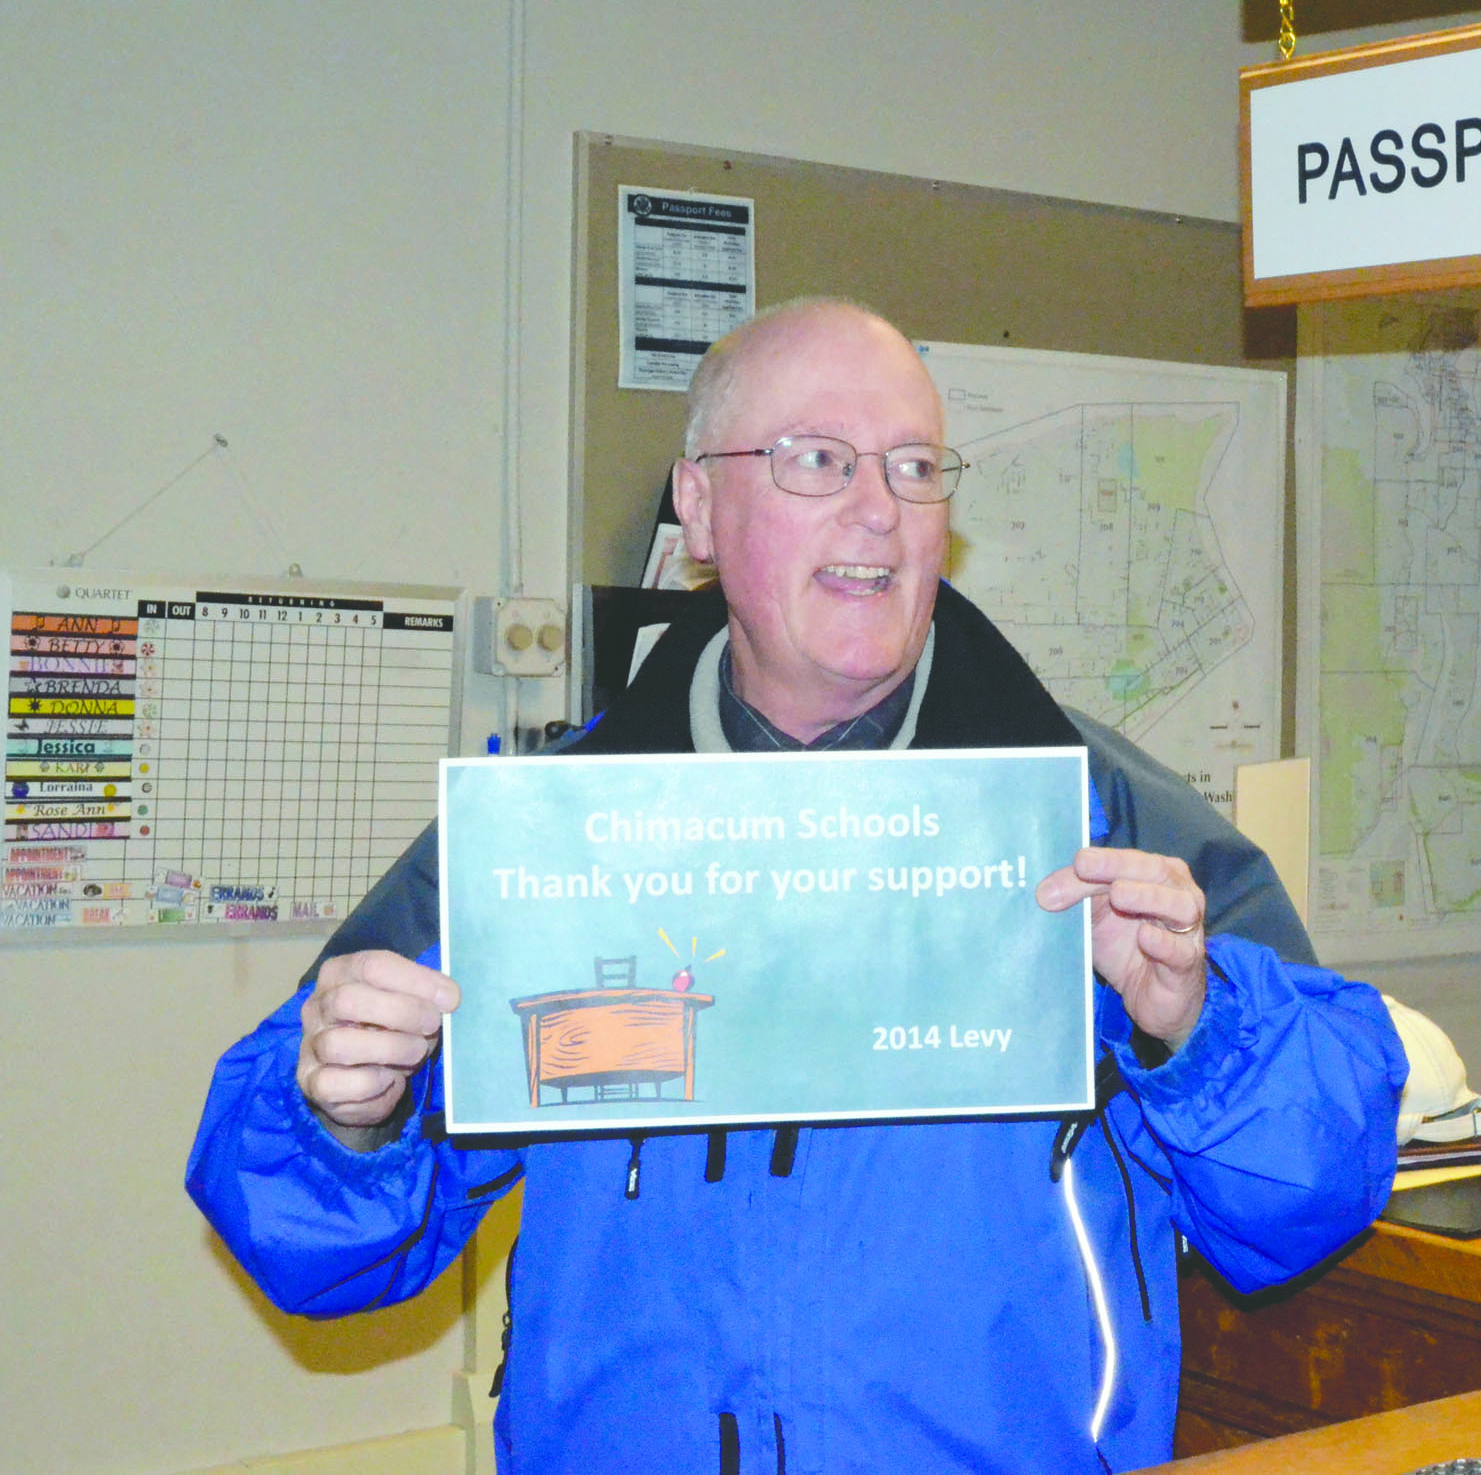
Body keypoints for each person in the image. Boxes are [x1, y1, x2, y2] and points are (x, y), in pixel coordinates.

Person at [187, 300, 1406, 1473]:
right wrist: (347, 1115)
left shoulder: (1098, 819)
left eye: (917, 466)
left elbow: (1316, 1188)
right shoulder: (555, 836)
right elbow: (310, 1242)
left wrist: (1196, 1029)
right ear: (700, 507)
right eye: (820, 460)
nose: (880, 511)